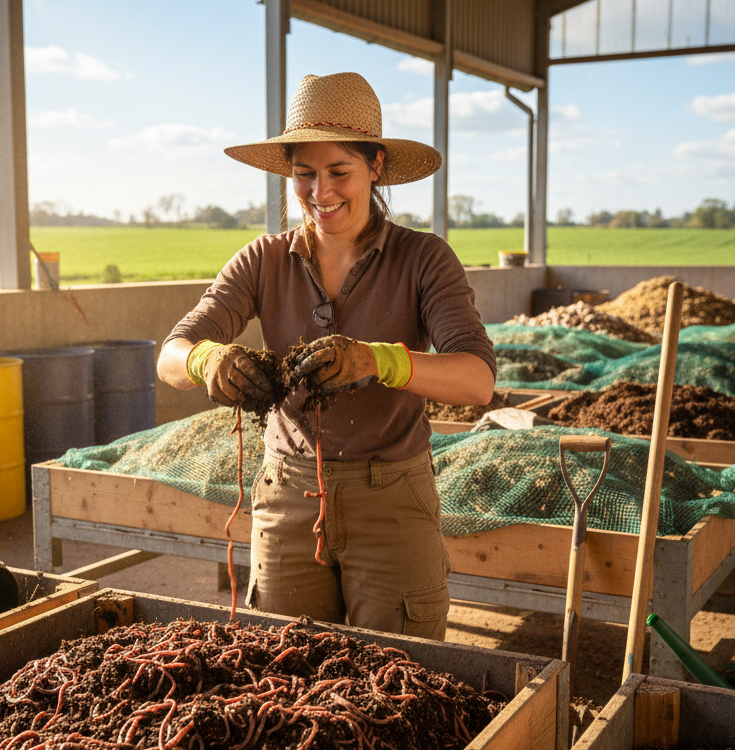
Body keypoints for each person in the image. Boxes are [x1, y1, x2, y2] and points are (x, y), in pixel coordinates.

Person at [158, 71, 496, 640]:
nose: (321, 192)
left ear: (377, 166)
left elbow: (477, 380)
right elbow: (171, 353)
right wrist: (208, 361)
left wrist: (376, 360)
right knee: (292, 676)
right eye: (304, 175)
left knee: (399, 675)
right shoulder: (263, 260)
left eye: (339, 171)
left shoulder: (423, 259)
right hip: (288, 499)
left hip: (391, 498)